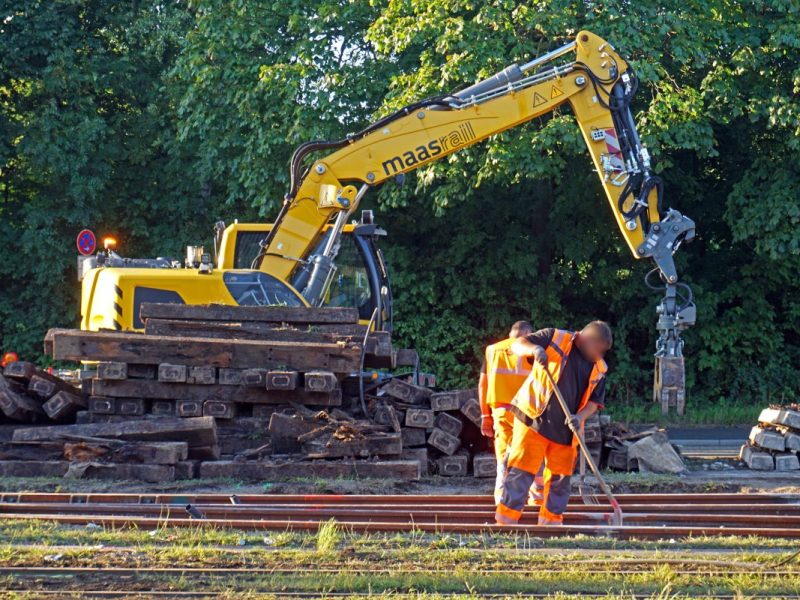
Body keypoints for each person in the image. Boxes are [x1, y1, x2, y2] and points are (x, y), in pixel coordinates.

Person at [495, 321, 612, 525]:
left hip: (567, 430)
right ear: (587, 339)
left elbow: (594, 403)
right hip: (534, 419)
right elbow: (516, 344)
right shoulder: (556, 338)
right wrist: (535, 349)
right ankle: (505, 522)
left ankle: (550, 524)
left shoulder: (600, 368)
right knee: (521, 472)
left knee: (560, 481)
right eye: (598, 349)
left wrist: (580, 418)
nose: (599, 356)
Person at [478, 320, 533, 503]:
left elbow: (483, 384)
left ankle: (501, 502)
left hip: (500, 411)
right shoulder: (533, 350)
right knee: (527, 457)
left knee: (503, 459)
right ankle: (530, 501)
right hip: (528, 412)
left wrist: (485, 415)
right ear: (527, 334)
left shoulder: (493, 350)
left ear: (511, 333)